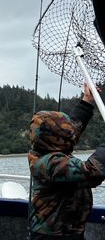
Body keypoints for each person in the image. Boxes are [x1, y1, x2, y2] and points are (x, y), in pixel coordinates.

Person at [28, 84, 105, 240]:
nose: (71, 132)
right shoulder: (47, 163)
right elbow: (92, 171)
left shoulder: (47, 145)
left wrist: (87, 100)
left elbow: (72, 129)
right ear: (55, 137)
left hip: (69, 231)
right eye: (65, 131)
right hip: (52, 236)